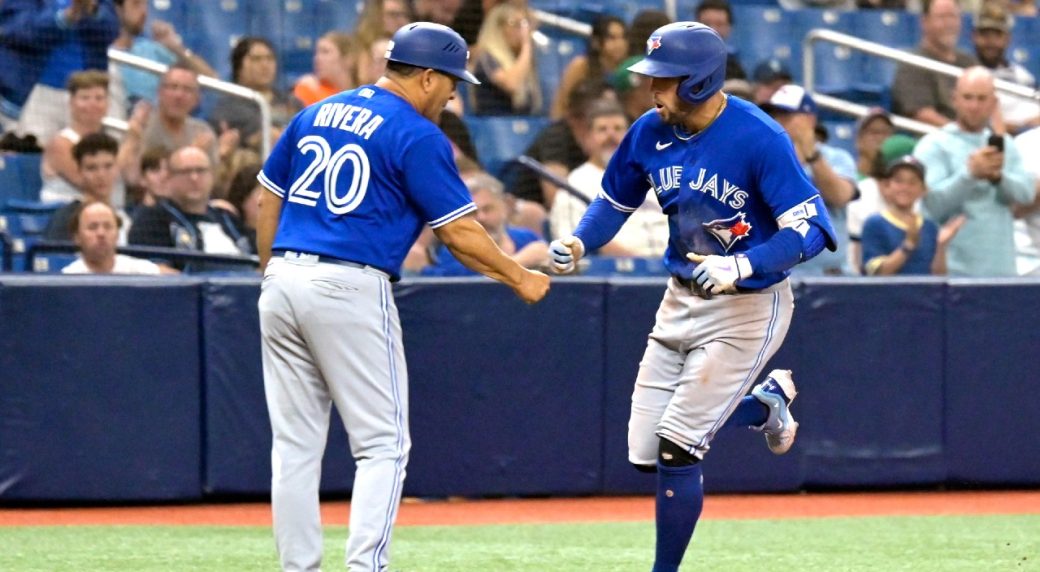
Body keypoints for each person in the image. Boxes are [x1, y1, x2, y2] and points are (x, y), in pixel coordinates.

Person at [255, 22, 549, 572]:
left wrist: (269, 272)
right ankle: (366, 566)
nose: (454, 94)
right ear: (428, 77)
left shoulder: (317, 111)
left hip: (284, 277)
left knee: (294, 446)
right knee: (382, 445)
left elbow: (267, 199)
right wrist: (519, 276)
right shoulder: (417, 134)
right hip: (349, 283)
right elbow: (459, 233)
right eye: (452, 82)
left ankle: (299, 568)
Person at [548, 23, 835, 572]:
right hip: (679, 297)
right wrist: (580, 239)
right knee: (645, 454)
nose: (652, 89)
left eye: (665, 79)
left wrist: (744, 262)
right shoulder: (648, 131)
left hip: (750, 302)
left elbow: (812, 229)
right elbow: (614, 201)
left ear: (699, 82)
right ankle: (762, 406)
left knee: (679, 445)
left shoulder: (759, 136)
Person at [913, 66, 1035, 276]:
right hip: (953, 274)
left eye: (981, 99)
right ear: (954, 99)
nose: (974, 106)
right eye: (968, 98)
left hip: (1001, 272)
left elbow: (1026, 194)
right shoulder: (933, 145)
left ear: (994, 103)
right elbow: (931, 207)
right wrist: (969, 175)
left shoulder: (1006, 145)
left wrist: (999, 177)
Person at [761, 84, 858, 275]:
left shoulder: (837, 157)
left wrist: (811, 153)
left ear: (810, 119)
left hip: (829, 273)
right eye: (774, 116)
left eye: (786, 116)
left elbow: (839, 196)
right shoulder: (762, 158)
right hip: (780, 272)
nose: (777, 122)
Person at [551, 100, 668, 257]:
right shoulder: (575, 183)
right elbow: (571, 241)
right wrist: (637, 262)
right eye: (602, 129)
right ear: (588, 139)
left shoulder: (654, 173)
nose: (611, 135)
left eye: (618, 129)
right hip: (614, 273)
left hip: (672, 269)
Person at [0, 0, 119, 142]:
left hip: (86, 94)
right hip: (37, 93)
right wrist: (65, 17)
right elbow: (17, 30)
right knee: (33, 157)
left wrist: (92, 11)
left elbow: (112, 30)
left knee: (86, 156)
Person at [129, 146, 252, 270]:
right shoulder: (152, 219)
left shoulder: (227, 217)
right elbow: (155, 272)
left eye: (200, 170)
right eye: (185, 172)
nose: (194, 178)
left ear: (212, 175)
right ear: (169, 178)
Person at [422, 172, 548, 275]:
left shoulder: (526, 238)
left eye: (488, 209)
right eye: (472, 213)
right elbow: (475, 291)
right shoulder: (454, 252)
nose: (481, 218)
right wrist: (522, 260)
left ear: (504, 207)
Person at [860, 155, 965, 275]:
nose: (905, 188)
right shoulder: (875, 224)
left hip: (923, 293)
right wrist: (908, 245)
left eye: (912, 182)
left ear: (923, 189)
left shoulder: (929, 226)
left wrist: (940, 247)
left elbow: (938, 277)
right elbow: (877, 273)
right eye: (899, 181)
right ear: (887, 186)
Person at [109, 0, 216, 116]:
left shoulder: (149, 50)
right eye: (136, 4)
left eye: (146, 5)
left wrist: (176, 48)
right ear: (118, 10)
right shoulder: (100, 53)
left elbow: (211, 80)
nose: (144, 12)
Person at [40, 70, 132, 205]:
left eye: (99, 98)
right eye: (85, 98)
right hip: (65, 214)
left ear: (107, 104)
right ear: (71, 102)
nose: (92, 104)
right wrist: (131, 143)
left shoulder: (109, 142)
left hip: (109, 213)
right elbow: (93, 184)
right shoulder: (60, 143)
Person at [891, 0, 977, 127]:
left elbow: (991, 106)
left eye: (953, 16)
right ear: (924, 22)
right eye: (942, 17)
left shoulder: (970, 62)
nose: (949, 24)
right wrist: (961, 135)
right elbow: (922, 115)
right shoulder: (913, 63)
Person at [209, 37, 297, 153]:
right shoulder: (228, 107)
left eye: (270, 59)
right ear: (239, 66)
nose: (265, 65)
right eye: (256, 59)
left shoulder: (291, 102)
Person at [44, 132, 132, 243]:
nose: (101, 175)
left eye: (108, 166)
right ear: (80, 171)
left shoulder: (126, 219)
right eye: (92, 168)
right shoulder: (66, 219)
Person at [971, 0, 1040, 135]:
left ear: (1007, 39)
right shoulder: (968, 77)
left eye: (997, 35)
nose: (990, 42)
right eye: (985, 35)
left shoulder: (1023, 75)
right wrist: (1013, 128)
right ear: (974, 37)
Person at [550, 15, 628, 120]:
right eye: (612, 38)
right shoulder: (580, 66)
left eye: (623, 37)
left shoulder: (628, 70)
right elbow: (561, 106)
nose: (620, 44)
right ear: (596, 42)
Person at [62, 201, 172, 274]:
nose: (101, 233)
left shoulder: (136, 270)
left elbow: (177, 280)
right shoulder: (68, 278)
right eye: (92, 227)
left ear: (118, 234)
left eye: (108, 226)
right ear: (77, 237)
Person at [471, 3, 541, 115]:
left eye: (524, 25)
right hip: (492, 126)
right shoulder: (487, 57)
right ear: (499, 28)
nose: (523, 32)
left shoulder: (520, 59)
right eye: (515, 24)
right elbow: (511, 84)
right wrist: (527, 44)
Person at [292, 31, 357, 108]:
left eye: (325, 52)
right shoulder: (307, 89)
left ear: (348, 59)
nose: (317, 59)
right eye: (316, 53)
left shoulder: (363, 94)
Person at [693, 0, 746, 81]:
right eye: (706, 24)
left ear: (729, 29)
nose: (712, 30)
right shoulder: (680, 64)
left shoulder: (735, 69)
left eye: (719, 24)